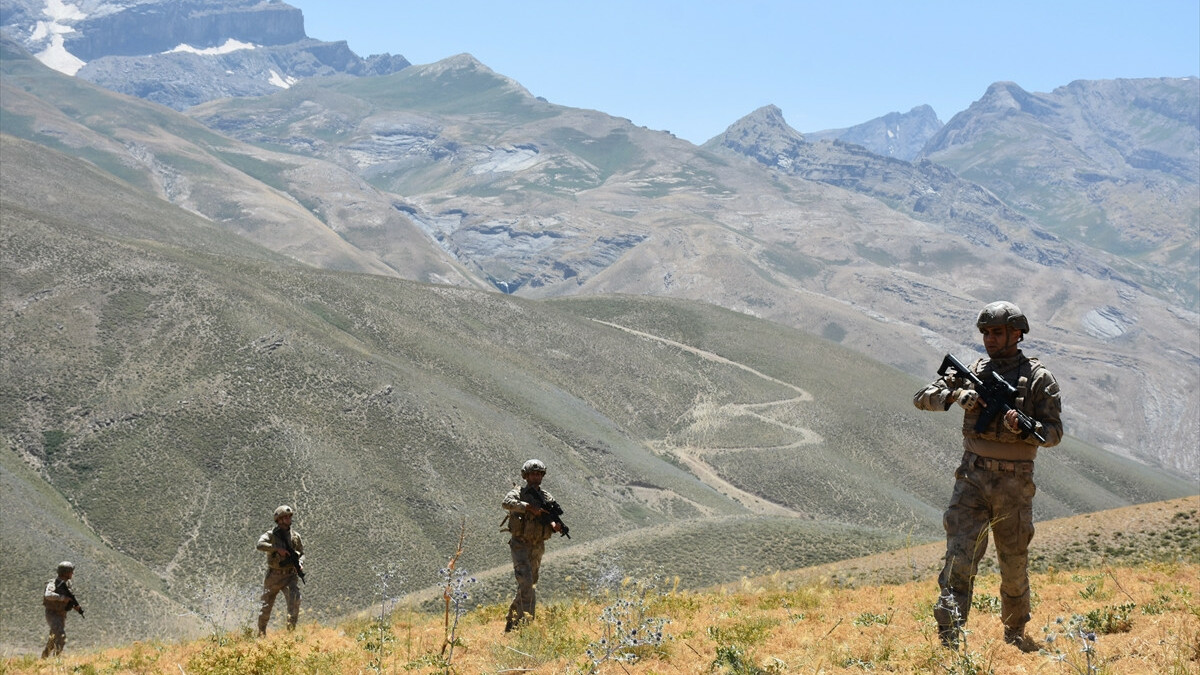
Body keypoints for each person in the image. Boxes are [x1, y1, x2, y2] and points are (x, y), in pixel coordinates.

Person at [914, 301, 1063, 651]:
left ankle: (1015, 636)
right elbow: (922, 397)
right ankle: (950, 639)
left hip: (1014, 484)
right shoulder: (973, 371)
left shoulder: (1039, 378)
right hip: (972, 478)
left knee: (1013, 565)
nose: (990, 339)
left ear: (1017, 333)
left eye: (997, 332)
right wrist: (956, 395)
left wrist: (1026, 429)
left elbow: (1054, 434)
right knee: (959, 558)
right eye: (985, 333)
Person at [501, 459, 564, 632]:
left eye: (539, 474)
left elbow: (551, 517)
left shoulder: (546, 497)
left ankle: (512, 622)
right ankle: (526, 626)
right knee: (526, 583)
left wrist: (554, 525)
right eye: (533, 474)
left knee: (529, 584)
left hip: (537, 546)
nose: (536, 477)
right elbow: (506, 503)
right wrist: (528, 507)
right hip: (520, 545)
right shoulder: (518, 493)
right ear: (526, 476)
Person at [256, 505, 304, 636]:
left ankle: (290, 634)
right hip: (274, 577)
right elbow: (259, 545)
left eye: (289, 516)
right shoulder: (271, 535)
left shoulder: (295, 536)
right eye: (285, 517)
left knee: (295, 601)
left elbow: (302, 552)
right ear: (279, 520)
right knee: (266, 607)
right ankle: (261, 633)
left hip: (290, 576)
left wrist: (300, 563)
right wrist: (276, 549)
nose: (289, 519)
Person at [41, 561, 83, 658]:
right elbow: (48, 595)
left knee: (53, 640)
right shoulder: (53, 584)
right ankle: (57, 661)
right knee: (61, 637)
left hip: (61, 615)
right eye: (71, 572)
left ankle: (43, 658)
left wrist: (76, 607)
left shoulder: (67, 584)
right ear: (66, 572)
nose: (72, 574)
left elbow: (70, 598)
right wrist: (62, 598)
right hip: (52, 614)